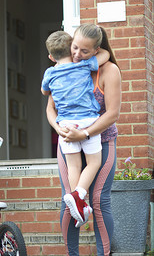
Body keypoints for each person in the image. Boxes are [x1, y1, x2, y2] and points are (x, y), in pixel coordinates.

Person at [46, 24, 121, 256]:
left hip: (101, 139)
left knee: (98, 200)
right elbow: (50, 108)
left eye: (84, 51)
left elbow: (112, 113)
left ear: (96, 50)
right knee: (68, 201)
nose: (77, 55)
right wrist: (59, 128)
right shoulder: (64, 69)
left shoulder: (108, 71)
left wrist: (86, 133)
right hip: (68, 138)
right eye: (74, 48)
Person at [41, 30, 109, 228]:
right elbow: (104, 56)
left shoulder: (50, 72)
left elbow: (44, 90)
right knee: (94, 162)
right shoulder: (83, 65)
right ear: (71, 51)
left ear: (51, 57)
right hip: (88, 120)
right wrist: (94, 50)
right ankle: (78, 194)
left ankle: (78, 202)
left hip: (65, 125)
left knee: (73, 166)